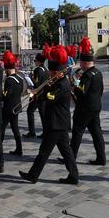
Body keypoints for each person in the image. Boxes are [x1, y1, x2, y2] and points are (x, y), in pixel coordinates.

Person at [19, 45, 79, 185]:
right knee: (67, 152)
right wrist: (41, 90)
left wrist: (40, 92)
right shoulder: (58, 81)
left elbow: (50, 98)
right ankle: (74, 176)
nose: (50, 75)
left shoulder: (62, 84)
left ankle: (33, 175)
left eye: (53, 73)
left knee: (44, 151)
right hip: (59, 122)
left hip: (56, 123)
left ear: (59, 72)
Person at [69, 37, 105, 165]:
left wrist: (75, 84)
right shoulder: (98, 73)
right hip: (96, 106)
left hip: (84, 108)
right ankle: (101, 158)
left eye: (81, 63)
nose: (80, 66)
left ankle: (71, 157)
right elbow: (101, 90)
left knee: (77, 132)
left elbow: (80, 92)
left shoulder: (87, 75)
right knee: (96, 133)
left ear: (85, 63)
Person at [0, 51, 23, 156]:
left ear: (8, 69)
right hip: (17, 106)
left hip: (8, 108)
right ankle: (19, 149)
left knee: (1, 128)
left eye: (6, 69)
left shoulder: (9, 80)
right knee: (15, 129)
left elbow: (6, 96)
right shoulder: (20, 78)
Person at [24, 51, 47, 139]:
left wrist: (29, 78)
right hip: (43, 95)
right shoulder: (46, 69)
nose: (34, 62)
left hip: (37, 95)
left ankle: (32, 131)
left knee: (30, 111)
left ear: (39, 61)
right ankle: (45, 132)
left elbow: (35, 83)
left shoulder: (37, 70)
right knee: (43, 114)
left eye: (35, 60)